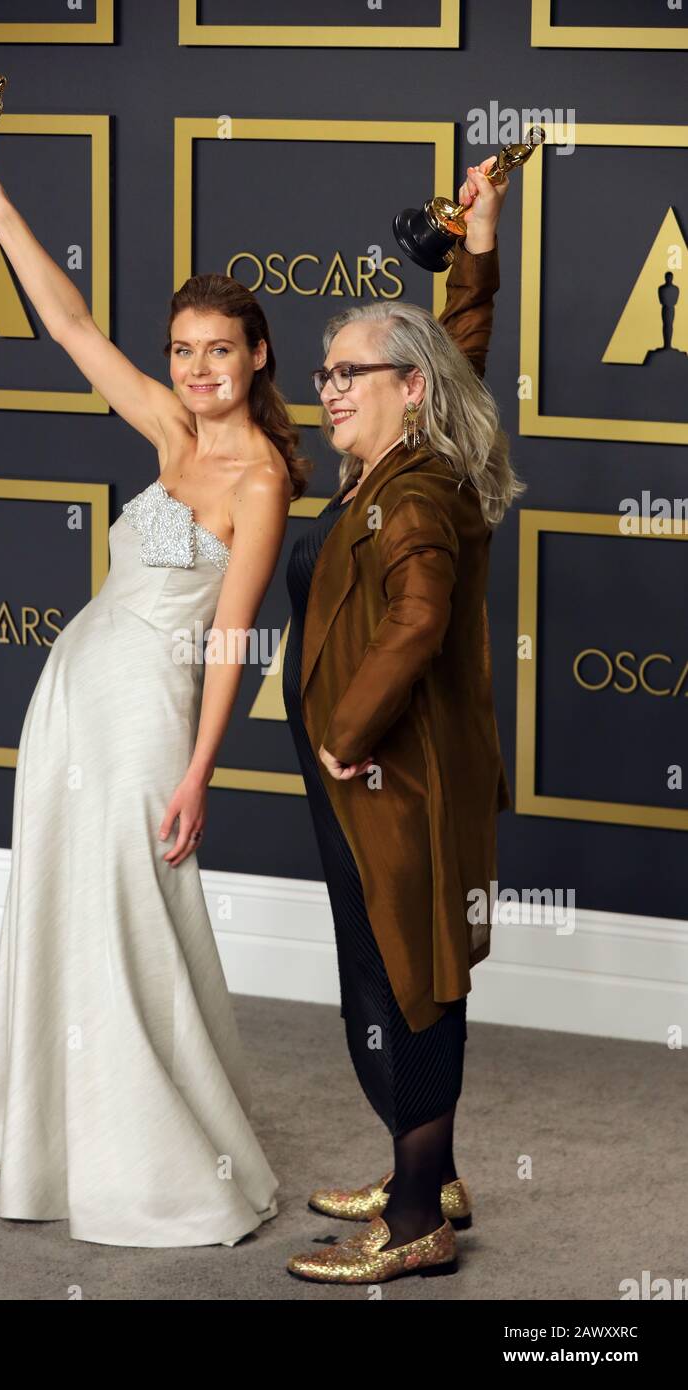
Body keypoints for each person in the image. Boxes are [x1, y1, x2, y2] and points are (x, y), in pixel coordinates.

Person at [0, 156, 310, 1247]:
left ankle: (160, 1154)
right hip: (71, 695)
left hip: (153, 709)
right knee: (66, 903)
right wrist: (1, 208)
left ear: (258, 357)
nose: (199, 369)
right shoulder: (172, 434)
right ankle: (60, 1133)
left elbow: (235, 643)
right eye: (183, 351)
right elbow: (69, 328)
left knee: (136, 916)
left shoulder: (262, 479)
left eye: (219, 350)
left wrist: (201, 772)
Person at [282, 159, 524, 1284]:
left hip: (391, 777)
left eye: (350, 374)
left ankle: (418, 1216)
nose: (328, 390)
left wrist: (347, 730)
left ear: (407, 388)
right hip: (375, 780)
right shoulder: (406, 454)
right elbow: (459, 349)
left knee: (406, 986)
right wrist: (477, 241)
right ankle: (429, 1171)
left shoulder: (412, 490)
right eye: (324, 373)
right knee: (397, 972)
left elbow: (419, 616)